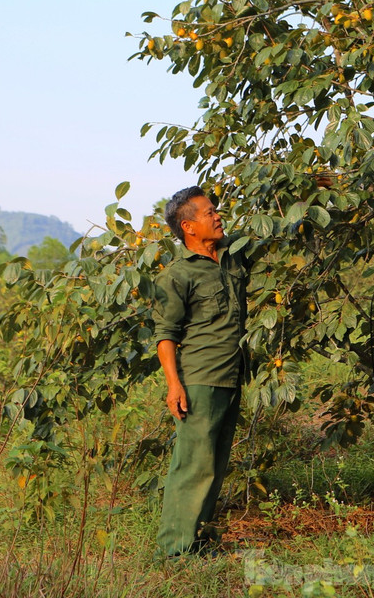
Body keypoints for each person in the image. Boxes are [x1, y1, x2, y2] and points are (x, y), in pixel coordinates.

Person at [151, 186, 250, 557]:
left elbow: (273, 230)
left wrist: (308, 189)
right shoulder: (176, 276)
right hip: (199, 380)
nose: (218, 216)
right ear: (189, 226)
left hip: (230, 375)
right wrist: (174, 386)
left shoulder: (232, 255)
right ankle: (174, 551)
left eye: (216, 210)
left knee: (215, 463)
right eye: (209, 213)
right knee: (193, 466)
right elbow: (166, 335)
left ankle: (200, 541)